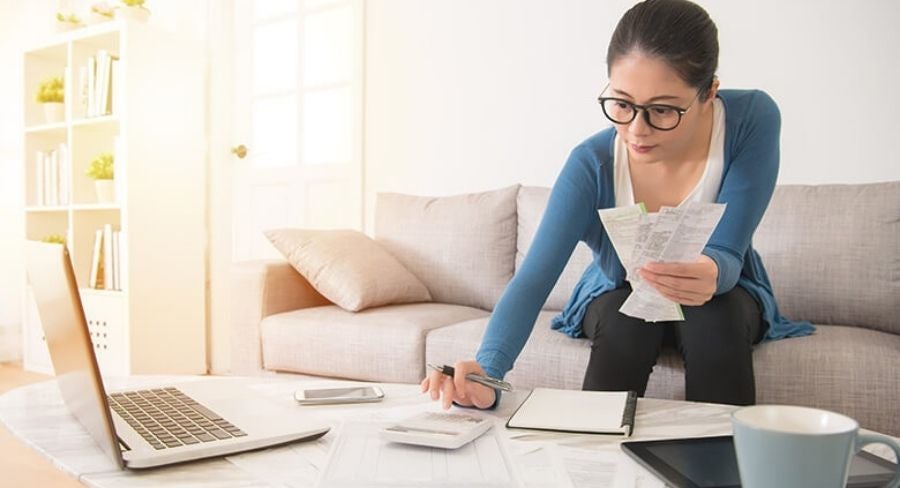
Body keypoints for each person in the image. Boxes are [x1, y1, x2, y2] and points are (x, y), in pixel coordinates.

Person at [421, 0, 814, 410]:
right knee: (626, 323)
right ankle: (595, 448)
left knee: (715, 319)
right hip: (620, 290)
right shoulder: (591, 164)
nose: (636, 131)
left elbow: (729, 251)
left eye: (662, 110)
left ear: (709, 92)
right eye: (622, 104)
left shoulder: (751, 120)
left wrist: (711, 270)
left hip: (721, 292)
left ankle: (719, 450)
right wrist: (489, 371)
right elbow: (534, 278)